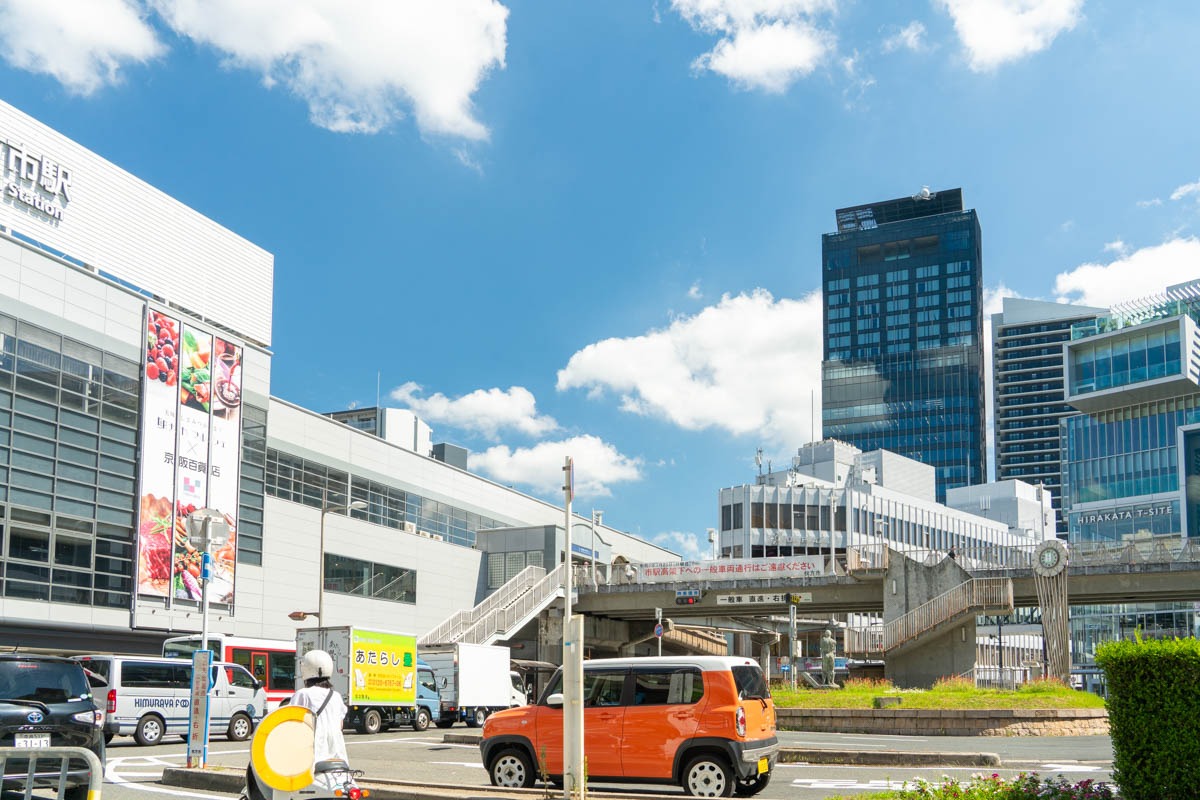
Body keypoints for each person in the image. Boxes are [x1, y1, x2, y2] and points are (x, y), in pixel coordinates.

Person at [290, 650, 351, 789]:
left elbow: (292, 723)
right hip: (337, 754)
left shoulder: (303, 694)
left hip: (312, 754)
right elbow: (340, 725)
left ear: (305, 670)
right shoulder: (336, 696)